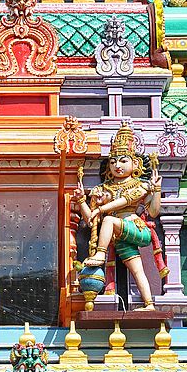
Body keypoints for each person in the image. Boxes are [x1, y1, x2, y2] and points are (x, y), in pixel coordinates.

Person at [73, 123, 167, 310]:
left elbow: (149, 210)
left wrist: (156, 189)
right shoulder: (103, 189)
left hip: (137, 228)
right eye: (114, 161)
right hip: (120, 236)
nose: (117, 165)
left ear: (135, 164)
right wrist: (82, 200)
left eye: (123, 161)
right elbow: (90, 219)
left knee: (108, 219)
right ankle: (149, 304)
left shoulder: (140, 185)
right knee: (137, 269)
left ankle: (101, 253)